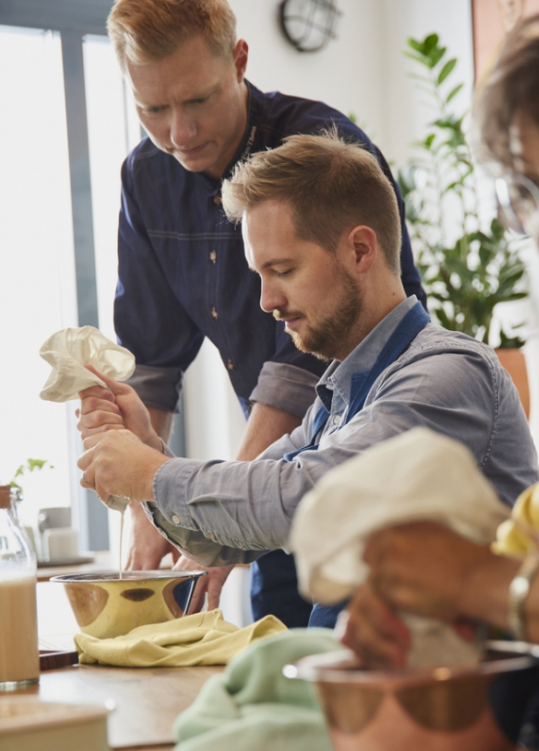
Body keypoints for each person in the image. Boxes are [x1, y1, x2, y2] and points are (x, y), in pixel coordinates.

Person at [77, 131, 538, 628]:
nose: (266, 301)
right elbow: (231, 534)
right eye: (260, 275)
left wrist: (148, 471)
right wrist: (147, 447)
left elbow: (307, 500)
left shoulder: (445, 374)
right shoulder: (339, 394)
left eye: (284, 270)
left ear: (361, 250)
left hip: (452, 696)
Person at [340, 1, 539, 751]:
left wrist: (474, 582)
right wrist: (418, 604)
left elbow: (495, 575)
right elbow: (516, 554)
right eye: (532, 190)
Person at [106, 0, 425, 626]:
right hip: (283, 458)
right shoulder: (146, 178)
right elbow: (151, 360)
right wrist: (147, 510)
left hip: (365, 467)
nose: (179, 133)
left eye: (196, 101)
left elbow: (300, 375)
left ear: (239, 60)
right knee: (282, 648)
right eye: (152, 110)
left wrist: (209, 516)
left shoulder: (317, 152)